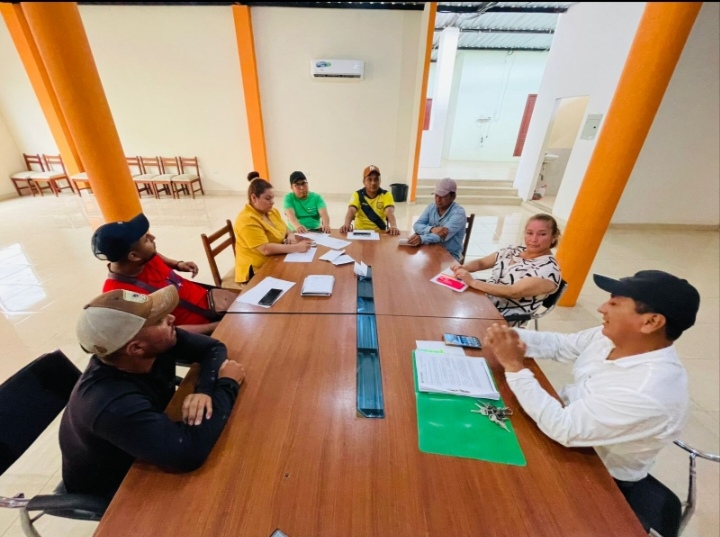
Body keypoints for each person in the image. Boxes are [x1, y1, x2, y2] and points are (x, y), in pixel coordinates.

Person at [483, 270, 700, 506]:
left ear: (651, 322)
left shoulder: (648, 390)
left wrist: (514, 366)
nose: (602, 308)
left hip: (595, 474)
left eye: (615, 303)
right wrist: (508, 337)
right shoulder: (612, 336)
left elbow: (564, 428)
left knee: (491, 489)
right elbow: (562, 345)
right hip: (561, 429)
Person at [59, 286, 246, 498]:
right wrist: (227, 384)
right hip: (117, 487)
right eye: (159, 320)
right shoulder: (111, 404)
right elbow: (190, 453)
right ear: (136, 348)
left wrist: (204, 390)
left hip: (147, 440)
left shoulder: (151, 346)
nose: (172, 318)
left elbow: (212, 348)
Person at [94, 212, 222, 335]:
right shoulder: (120, 296)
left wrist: (177, 264)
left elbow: (156, 255)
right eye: (146, 239)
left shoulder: (143, 258)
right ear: (134, 256)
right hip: (205, 329)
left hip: (215, 301)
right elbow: (166, 332)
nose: (153, 238)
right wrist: (218, 326)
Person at [451, 213, 561, 326]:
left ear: (554, 237)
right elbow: (481, 263)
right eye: (529, 233)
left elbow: (513, 292)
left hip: (502, 319)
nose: (534, 239)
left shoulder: (548, 270)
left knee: (450, 319)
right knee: (446, 302)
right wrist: (463, 267)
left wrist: (473, 282)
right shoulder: (514, 250)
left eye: (542, 234)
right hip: (482, 302)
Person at [234, 178, 311, 283]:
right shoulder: (247, 220)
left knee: (302, 272)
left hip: (275, 259)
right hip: (257, 270)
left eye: (273, 198)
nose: (272, 202)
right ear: (254, 198)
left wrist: (290, 235)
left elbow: (285, 228)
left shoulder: (271, 212)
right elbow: (265, 249)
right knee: (295, 280)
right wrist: (297, 247)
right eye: (268, 198)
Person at [406, 178, 467, 261]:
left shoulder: (458, 213)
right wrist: (432, 229)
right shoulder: (431, 207)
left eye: (442, 196)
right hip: (429, 248)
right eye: (436, 195)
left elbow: (441, 237)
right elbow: (417, 225)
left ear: (453, 196)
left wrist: (422, 238)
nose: (438, 199)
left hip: (449, 254)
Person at [339, 165, 400, 235]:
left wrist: (394, 226)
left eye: (376, 179)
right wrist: (346, 224)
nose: (373, 183)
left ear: (380, 181)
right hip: (360, 232)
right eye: (369, 179)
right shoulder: (357, 195)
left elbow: (389, 211)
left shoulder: (386, 195)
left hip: (380, 233)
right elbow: (351, 210)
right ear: (364, 181)